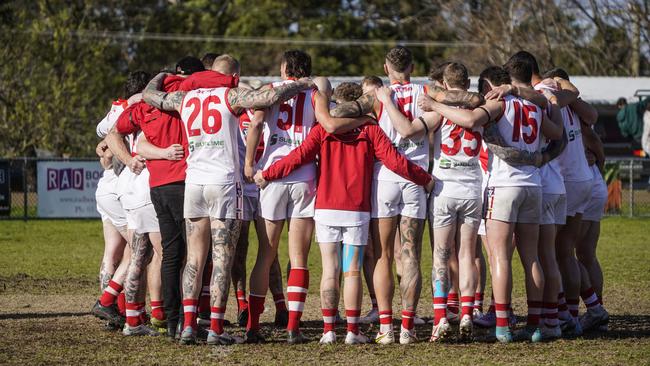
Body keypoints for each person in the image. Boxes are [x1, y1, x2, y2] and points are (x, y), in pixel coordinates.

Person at [142, 54, 315, 345]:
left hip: (194, 182)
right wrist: (301, 84)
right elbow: (269, 95)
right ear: (233, 74)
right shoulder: (230, 94)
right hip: (222, 183)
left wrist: (160, 76)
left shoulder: (185, 98)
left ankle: (187, 326)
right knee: (222, 259)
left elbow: (151, 96)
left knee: (194, 258)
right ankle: (216, 329)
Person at [254, 90, 435, 344]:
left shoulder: (323, 129)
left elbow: (299, 155)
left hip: (326, 208)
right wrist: (424, 178)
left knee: (330, 269)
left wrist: (269, 173)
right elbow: (394, 161)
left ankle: (328, 331)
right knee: (352, 271)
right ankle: (352, 331)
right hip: (357, 210)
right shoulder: (370, 129)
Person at [330, 46, 484, 344]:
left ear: (386, 68)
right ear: (412, 66)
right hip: (414, 179)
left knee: (384, 256)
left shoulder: (375, 97)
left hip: (383, 178)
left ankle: (386, 327)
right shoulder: (429, 92)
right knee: (411, 254)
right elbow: (471, 100)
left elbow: (338, 113)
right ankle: (408, 328)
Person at [422, 57, 564, 343]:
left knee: (499, 257)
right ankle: (535, 325)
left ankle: (502, 325)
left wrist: (436, 105)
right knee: (531, 257)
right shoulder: (535, 104)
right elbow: (558, 134)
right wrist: (549, 103)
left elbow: (472, 119)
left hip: (504, 185)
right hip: (533, 185)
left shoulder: (501, 102)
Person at [243, 50, 328, 344]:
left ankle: (253, 327)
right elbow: (324, 125)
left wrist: (249, 164)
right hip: (304, 177)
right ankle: (293, 327)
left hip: (271, 178)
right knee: (299, 258)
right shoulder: (314, 93)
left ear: (283, 69)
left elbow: (254, 124)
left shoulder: (270, 91)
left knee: (266, 255)